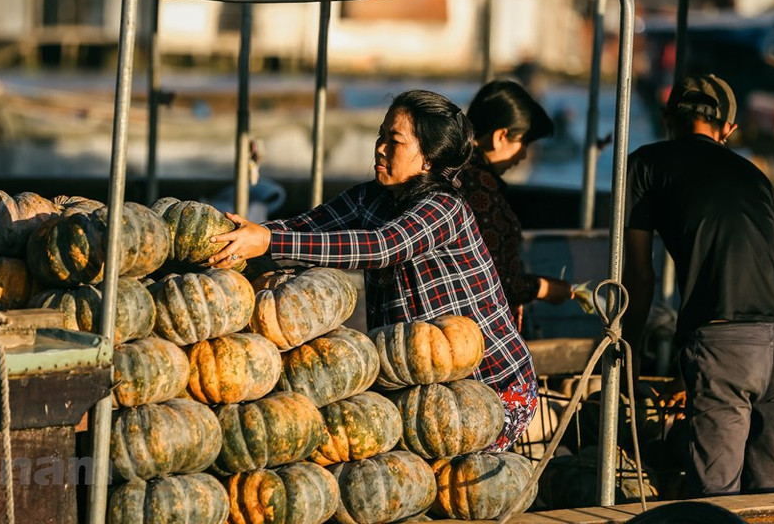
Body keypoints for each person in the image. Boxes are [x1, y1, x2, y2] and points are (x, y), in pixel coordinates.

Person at [209, 89, 537, 451]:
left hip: (492, 388)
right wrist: (251, 237)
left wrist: (270, 241)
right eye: (380, 136)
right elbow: (308, 227)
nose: (379, 148)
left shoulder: (444, 207)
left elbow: (382, 246)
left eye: (393, 141)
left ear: (428, 159)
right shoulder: (371, 197)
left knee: (449, 487)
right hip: (424, 392)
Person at [623, 74, 774, 497]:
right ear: (728, 130)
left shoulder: (646, 164)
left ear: (668, 119)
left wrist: (627, 351)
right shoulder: (756, 177)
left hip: (723, 341)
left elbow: (639, 274)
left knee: (715, 501)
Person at [463, 80, 573, 329]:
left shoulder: (462, 174)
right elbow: (494, 278)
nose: (523, 155)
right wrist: (544, 288)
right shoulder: (478, 186)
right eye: (523, 143)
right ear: (500, 136)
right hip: (480, 329)